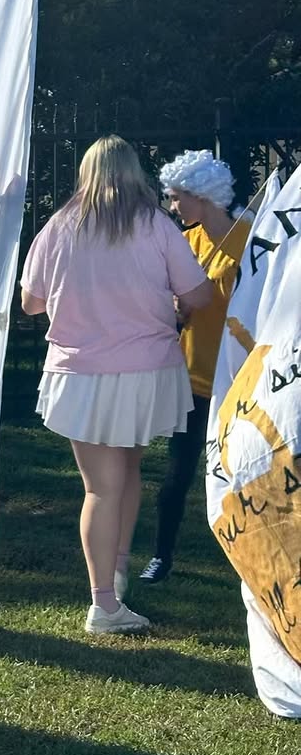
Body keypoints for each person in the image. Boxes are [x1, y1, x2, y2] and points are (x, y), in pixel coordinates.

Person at [20, 136, 213, 635]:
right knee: (125, 474)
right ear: (134, 172)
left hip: (80, 372)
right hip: (147, 368)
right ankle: (110, 591)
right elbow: (199, 294)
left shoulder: (60, 225)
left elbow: (31, 303)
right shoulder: (156, 224)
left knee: (103, 486)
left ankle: (108, 594)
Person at [139, 149, 251, 583]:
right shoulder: (187, 243)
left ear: (200, 196)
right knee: (178, 472)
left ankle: (253, 559)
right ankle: (161, 556)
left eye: (176, 197)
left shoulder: (250, 239)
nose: (172, 206)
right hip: (194, 377)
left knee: (246, 472)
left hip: (240, 379)